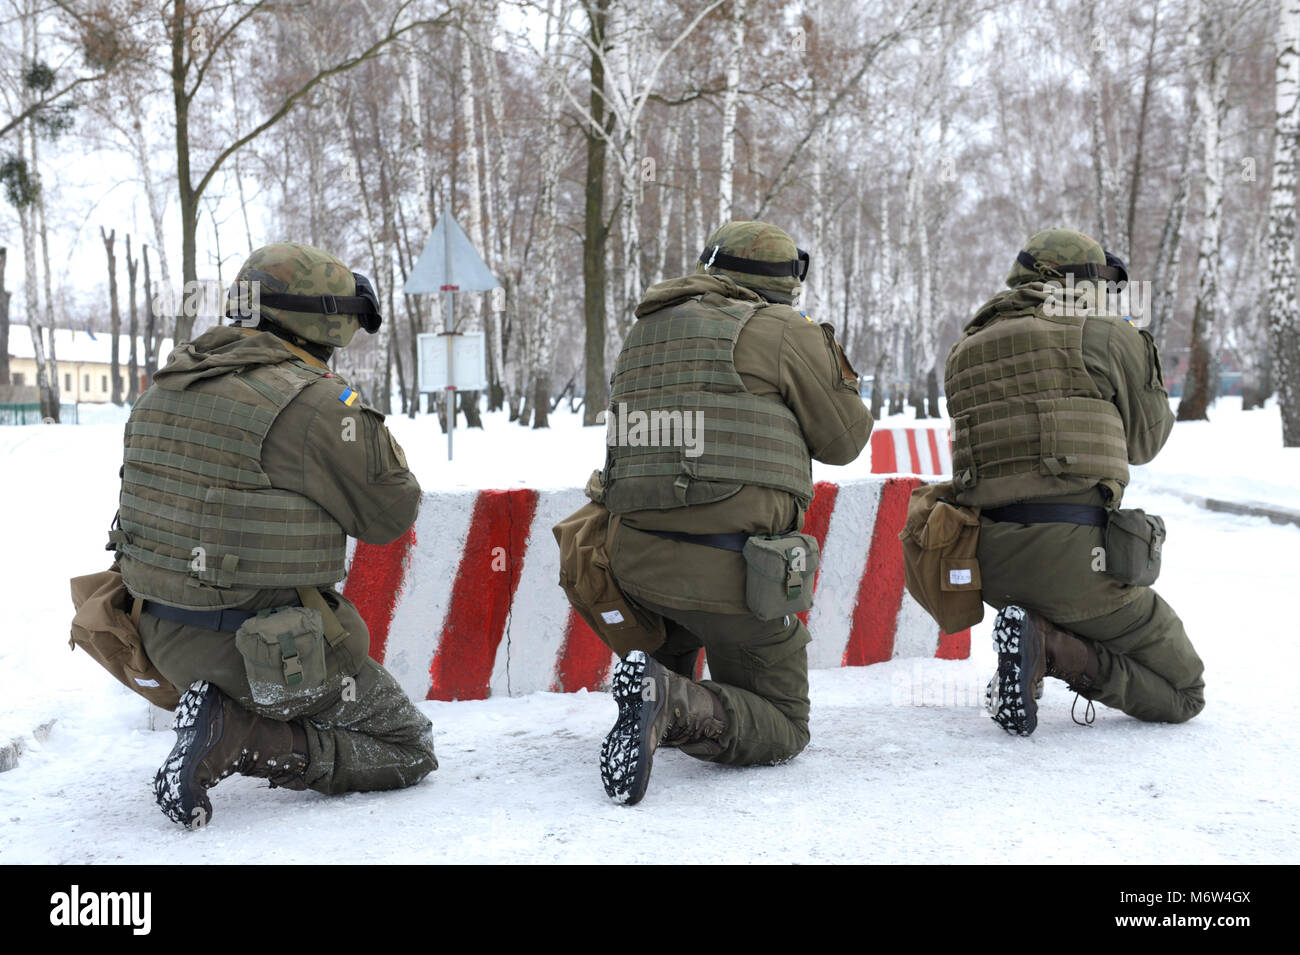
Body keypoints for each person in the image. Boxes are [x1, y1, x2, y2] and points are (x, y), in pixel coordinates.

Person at [111, 242, 437, 828]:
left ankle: (224, 715)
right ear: (328, 321)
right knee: (408, 746)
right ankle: (240, 733)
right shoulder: (315, 402)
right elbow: (390, 515)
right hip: (265, 653)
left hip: (156, 639)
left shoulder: (165, 385)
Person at [592, 220, 873, 804]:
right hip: (731, 576)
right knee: (784, 723)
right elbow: (846, 441)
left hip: (632, 568)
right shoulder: (781, 329)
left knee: (681, 610)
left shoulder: (646, 327)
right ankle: (675, 700)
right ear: (784, 283)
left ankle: (662, 674)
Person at [944, 227, 1205, 736]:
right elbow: (1146, 443)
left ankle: (1033, 649)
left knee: (1067, 604)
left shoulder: (964, 349)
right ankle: (1050, 648)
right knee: (1184, 692)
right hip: (1079, 561)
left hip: (986, 564)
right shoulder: (1104, 332)